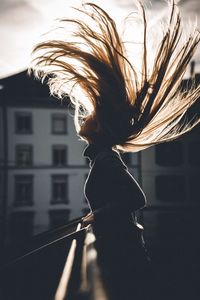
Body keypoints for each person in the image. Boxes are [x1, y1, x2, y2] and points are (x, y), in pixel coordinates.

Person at [30, 1, 200, 299]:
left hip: (124, 251)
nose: (85, 117)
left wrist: (97, 215)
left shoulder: (107, 159)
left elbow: (137, 198)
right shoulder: (104, 159)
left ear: (100, 130)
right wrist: (96, 215)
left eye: (92, 116)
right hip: (122, 249)